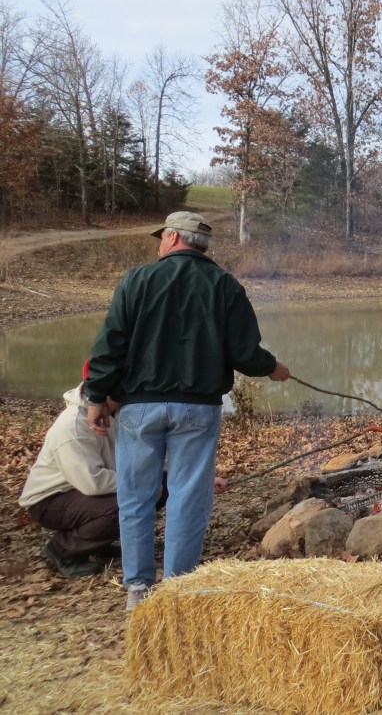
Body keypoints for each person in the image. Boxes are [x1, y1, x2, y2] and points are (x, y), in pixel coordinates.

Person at [85, 211, 289, 611]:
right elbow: (245, 353)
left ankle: (138, 588)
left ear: (174, 236)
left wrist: (97, 397)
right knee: (187, 498)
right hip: (197, 410)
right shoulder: (225, 286)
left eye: (162, 236)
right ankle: (177, 589)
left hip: (139, 408)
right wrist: (273, 368)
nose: (160, 242)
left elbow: (109, 347)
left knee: (136, 498)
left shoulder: (136, 281)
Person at [20, 361, 118, 578]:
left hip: (80, 491)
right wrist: (143, 482)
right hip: (49, 499)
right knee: (124, 502)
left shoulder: (117, 413)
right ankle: (63, 550)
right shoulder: (73, 424)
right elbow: (92, 482)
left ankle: (96, 544)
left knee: (158, 487)